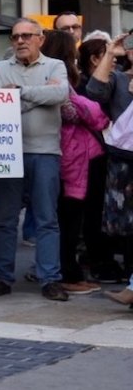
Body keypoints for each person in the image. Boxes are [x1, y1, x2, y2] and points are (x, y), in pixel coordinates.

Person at [0, 18, 70, 302]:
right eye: (15, 37)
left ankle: (50, 279)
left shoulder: (55, 66)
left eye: (26, 36)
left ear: (40, 39)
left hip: (46, 152)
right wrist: (41, 95)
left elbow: (61, 93)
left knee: (47, 220)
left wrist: (19, 93)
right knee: (5, 220)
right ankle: (1, 277)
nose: (20, 41)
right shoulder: (0, 68)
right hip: (7, 153)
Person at [41, 29, 107, 296]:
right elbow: (83, 112)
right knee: (69, 217)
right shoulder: (59, 81)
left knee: (67, 216)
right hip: (70, 155)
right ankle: (67, 273)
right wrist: (91, 110)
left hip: (69, 153)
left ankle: (67, 270)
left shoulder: (55, 78)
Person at [83, 35, 133, 293]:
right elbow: (94, 91)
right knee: (127, 226)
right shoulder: (119, 79)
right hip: (123, 161)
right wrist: (111, 52)